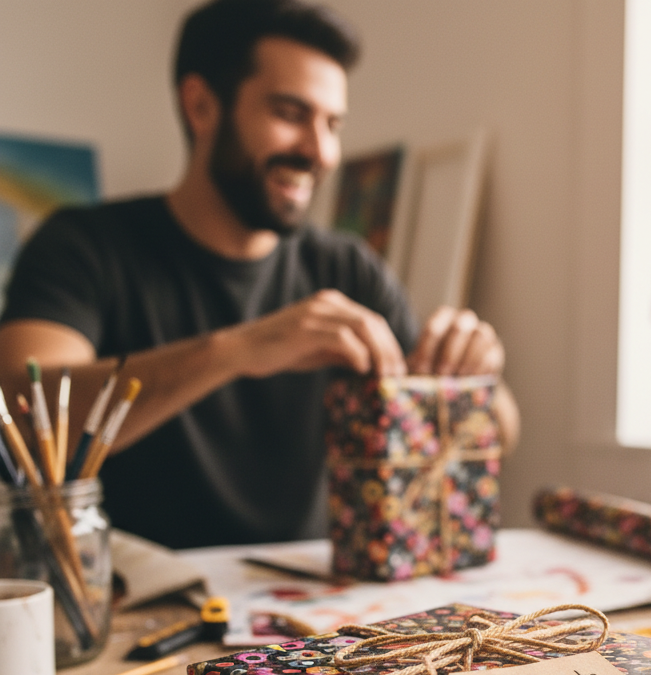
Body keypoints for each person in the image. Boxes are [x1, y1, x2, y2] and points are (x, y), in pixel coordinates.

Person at [0, 0, 519, 549]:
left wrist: (476, 382)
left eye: (332, 124)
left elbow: (501, 432)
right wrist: (236, 351)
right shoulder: (82, 246)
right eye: (290, 114)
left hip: (313, 611)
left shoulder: (346, 268)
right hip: (144, 605)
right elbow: (21, 411)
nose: (320, 151)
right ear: (201, 106)